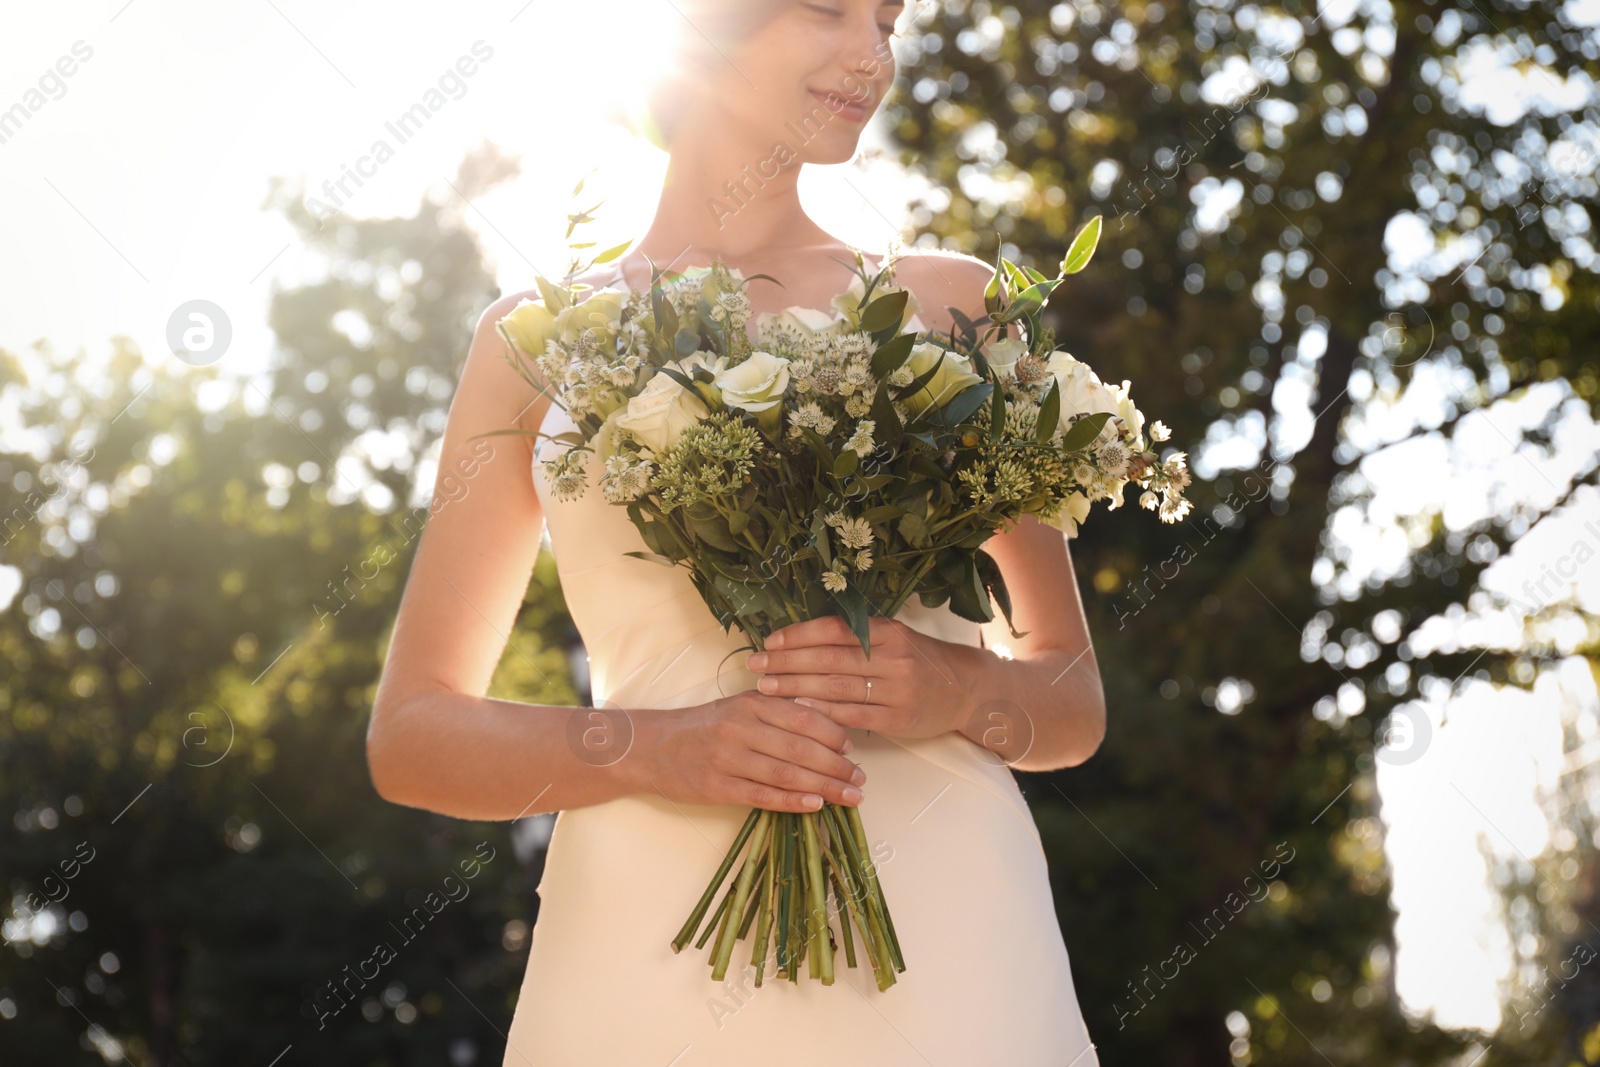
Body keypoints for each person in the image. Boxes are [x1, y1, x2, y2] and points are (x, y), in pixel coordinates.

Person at [366, 1, 1104, 1062]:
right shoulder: (533, 342)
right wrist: (648, 744)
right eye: (829, 10)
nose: (873, 53)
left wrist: (955, 685)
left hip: (949, 928)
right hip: (646, 944)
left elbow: (1070, 700)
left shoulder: (956, 307)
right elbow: (413, 734)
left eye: (889, 19)